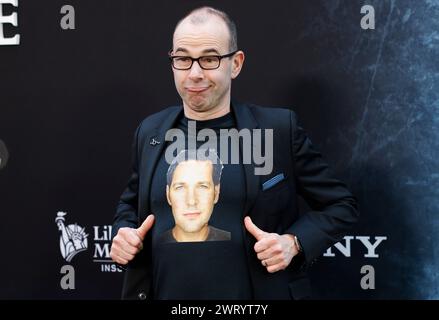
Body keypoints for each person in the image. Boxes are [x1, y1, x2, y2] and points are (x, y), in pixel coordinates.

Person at [110, 6, 359, 300]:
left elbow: (341, 205)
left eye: (209, 58)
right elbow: (131, 205)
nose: (195, 73)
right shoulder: (150, 132)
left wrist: (294, 243)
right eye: (183, 59)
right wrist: (123, 233)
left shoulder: (278, 130)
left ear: (236, 63)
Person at [158, 149, 231, 243]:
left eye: (202, 187)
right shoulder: (150, 245)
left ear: (216, 193)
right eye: (180, 187)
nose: (191, 201)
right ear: (168, 195)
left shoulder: (236, 242)